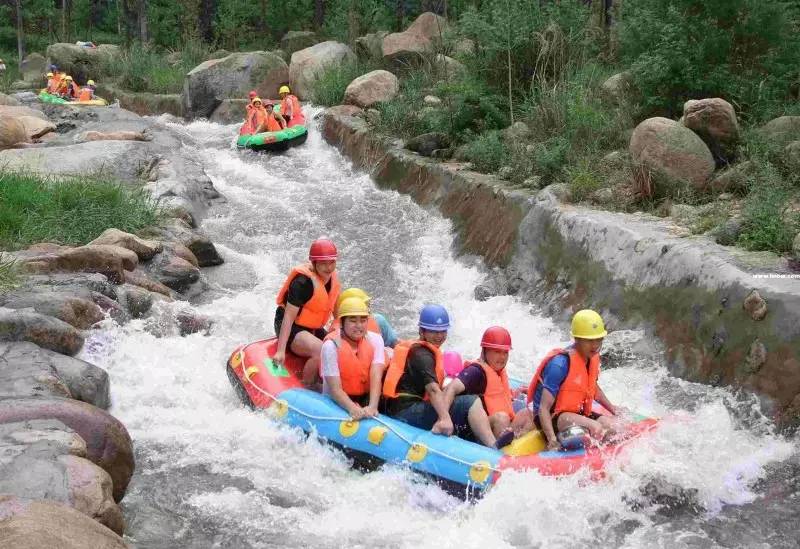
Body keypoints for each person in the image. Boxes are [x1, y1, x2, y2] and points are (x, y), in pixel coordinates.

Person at [382, 304, 499, 447]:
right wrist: (444, 418)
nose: (439, 336)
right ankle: (493, 447)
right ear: (422, 331)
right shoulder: (422, 355)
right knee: (471, 401)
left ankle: (480, 438)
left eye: (443, 331)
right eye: (434, 331)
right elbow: (432, 390)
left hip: (403, 408)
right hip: (406, 412)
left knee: (460, 399)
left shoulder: (422, 349)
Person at [521, 309, 626, 451]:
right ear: (577, 339)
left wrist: (613, 409)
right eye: (589, 341)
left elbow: (592, 388)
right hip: (552, 417)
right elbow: (544, 408)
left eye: (598, 339)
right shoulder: (559, 364)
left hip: (574, 413)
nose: (595, 345)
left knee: (616, 428)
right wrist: (551, 439)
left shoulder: (591, 358)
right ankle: (577, 445)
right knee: (596, 427)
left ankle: (601, 451)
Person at [274, 238, 341, 387]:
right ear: (314, 263)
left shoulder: (333, 279)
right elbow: (289, 317)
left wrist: (341, 336)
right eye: (323, 263)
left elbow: (337, 313)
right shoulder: (302, 283)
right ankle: (307, 386)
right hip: (292, 327)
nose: (329, 268)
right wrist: (280, 350)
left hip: (313, 327)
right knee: (321, 351)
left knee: (337, 349)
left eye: (332, 262)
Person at [442, 326, 524, 447]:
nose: (502, 357)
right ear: (485, 351)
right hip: (476, 429)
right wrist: (443, 418)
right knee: (502, 418)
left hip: (498, 426)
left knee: (526, 414)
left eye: (505, 352)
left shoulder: (498, 372)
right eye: (497, 351)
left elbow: (497, 395)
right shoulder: (475, 372)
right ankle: (499, 453)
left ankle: (520, 450)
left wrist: (514, 394)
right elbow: (452, 388)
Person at [321, 297, 386, 419]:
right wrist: (352, 408)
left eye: (363, 320)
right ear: (342, 323)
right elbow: (335, 389)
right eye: (353, 321)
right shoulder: (330, 346)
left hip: (365, 397)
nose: (359, 326)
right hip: (336, 401)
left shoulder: (376, 340)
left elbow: (376, 374)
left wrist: (373, 406)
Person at [330, 288, 399, 348]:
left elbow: (395, 344)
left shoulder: (378, 320)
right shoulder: (335, 333)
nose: (368, 309)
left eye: (367, 305)